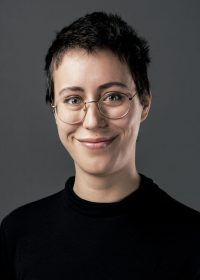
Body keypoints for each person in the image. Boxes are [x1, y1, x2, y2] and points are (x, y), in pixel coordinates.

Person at [0, 11, 200, 280]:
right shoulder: (16, 234)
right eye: (73, 99)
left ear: (145, 103)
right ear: (54, 109)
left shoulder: (193, 238)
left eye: (113, 96)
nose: (93, 121)